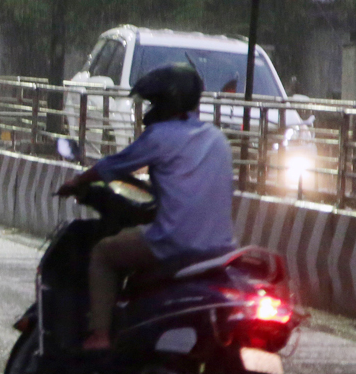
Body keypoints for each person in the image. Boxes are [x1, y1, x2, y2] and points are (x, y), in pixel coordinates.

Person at [55, 64, 235, 351]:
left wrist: (76, 182)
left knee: (102, 253)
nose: (150, 109)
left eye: (154, 102)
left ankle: (100, 335)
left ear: (166, 102)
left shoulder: (160, 136)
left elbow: (109, 167)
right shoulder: (217, 138)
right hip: (220, 248)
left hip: (174, 243)